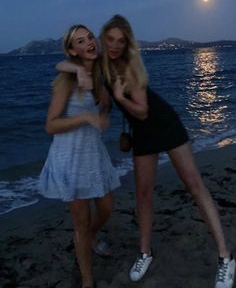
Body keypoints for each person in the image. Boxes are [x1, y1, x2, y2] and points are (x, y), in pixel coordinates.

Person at [56, 16, 235, 288]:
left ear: (127, 42)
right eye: (110, 39)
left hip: (164, 124)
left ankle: (225, 257)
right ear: (103, 40)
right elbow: (61, 63)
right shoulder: (101, 62)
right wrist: (78, 71)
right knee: (143, 195)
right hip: (141, 135)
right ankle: (145, 253)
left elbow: (142, 110)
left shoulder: (129, 67)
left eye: (120, 40)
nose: (114, 45)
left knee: (195, 187)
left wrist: (119, 96)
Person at [39, 24, 120, 288]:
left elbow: (105, 104)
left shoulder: (95, 74)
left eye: (89, 37)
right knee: (81, 223)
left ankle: (93, 238)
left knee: (107, 207)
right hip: (70, 159)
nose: (89, 42)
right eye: (80, 41)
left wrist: (104, 113)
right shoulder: (66, 81)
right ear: (72, 50)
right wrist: (85, 116)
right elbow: (50, 125)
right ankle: (87, 281)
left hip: (93, 155)